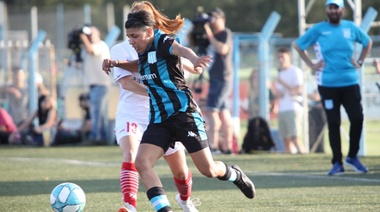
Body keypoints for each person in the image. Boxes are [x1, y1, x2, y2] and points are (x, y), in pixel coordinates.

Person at [117, 10, 255, 212]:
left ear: (148, 31)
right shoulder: (142, 50)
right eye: (128, 36)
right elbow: (140, 65)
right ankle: (164, 210)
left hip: (184, 115)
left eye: (134, 36)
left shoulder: (162, 42)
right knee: (141, 162)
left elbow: (181, 50)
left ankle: (235, 174)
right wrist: (117, 64)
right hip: (159, 120)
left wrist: (195, 58)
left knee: (208, 170)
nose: (131, 40)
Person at [103, 2, 200, 211]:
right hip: (132, 113)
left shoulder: (162, 45)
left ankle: (184, 200)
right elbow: (127, 82)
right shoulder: (120, 48)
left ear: (150, 23)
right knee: (130, 154)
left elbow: (186, 65)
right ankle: (129, 206)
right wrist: (155, 90)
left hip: (164, 114)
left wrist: (194, 64)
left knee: (181, 172)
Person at [293, 0, 372, 175]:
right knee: (334, 123)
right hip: (327, 84)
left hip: (350, 82)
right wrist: (311, 64)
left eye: (336, 7)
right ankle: (337, 162)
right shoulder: (319, 29)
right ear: (327, 10)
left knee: (357, 118)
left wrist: (359, 61)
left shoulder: (350, 28)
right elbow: (298, 45)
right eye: (331, 7)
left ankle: (352, 156)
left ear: (342, 9)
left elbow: (367, 42)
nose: (334, 10)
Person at [202, 8, 234, 154]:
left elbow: (223, 49)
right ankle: (227, 148)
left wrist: (209, 33)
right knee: (223, 112)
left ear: (223, 19)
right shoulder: (211, 35)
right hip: (216, 78)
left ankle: (213, 146)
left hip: (223, 78)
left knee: (210, 111)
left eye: (216, 19)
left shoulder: (224, 33)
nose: (213, 22)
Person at [271, 47, 306, 154]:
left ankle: (303, 154)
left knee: (294, 136)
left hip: (293, 107)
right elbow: (280, 94)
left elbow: (298, 90)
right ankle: (291, 158)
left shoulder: (295, 71)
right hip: (282, 108)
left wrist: (283, 83)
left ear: (288, 57)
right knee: (285, 138)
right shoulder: (280, 74)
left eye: (283, 56)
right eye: (279, 57)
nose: (281, 59)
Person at [80, 26, 111, 145]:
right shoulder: (86, 47)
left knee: (96, 111)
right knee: (98, 112)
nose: (88, 36)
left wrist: (83, 38)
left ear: (97, 34)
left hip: (101, 84)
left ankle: (95, 136)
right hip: (92, 85)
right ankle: (100, 136)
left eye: (91, 34)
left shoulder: (100, 45)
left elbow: (91, 51)